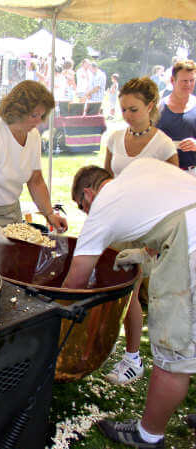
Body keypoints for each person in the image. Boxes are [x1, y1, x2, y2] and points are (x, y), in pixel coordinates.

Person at [62, 159, 196, 448]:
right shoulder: (141, 168)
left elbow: (76, 281)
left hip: (191, 243)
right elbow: (167, 209)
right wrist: (145, 254)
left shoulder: (102, 207)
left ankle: (148, 435)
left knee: (173, 351)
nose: (86, 214)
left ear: (88, 195)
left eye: (82, 208)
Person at [102, 77, 178, 386]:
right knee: (107, 289)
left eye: (133, 109)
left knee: (130, 291)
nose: (127, 115)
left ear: (150, 106)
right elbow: (106, 178)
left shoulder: (162, 145)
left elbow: (174, 194)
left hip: (144, 229)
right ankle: (104, 344)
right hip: (115, 224)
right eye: (122, 109)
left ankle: (133, 359)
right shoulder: (115, 138)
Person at [0, 80, 67, 249]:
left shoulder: (33, 137)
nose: (39, 121)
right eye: (34, 115)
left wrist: (49, 214)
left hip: (9, 209)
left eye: (42, 115)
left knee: (11, 262)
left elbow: (35, 180)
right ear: (18, 111)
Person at [157, 59, 196, 175]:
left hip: (192, 174)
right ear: (172, 80)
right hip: (163, 172)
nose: (188, 85)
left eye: (192, 80)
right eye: (184, 81)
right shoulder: (158, 107)